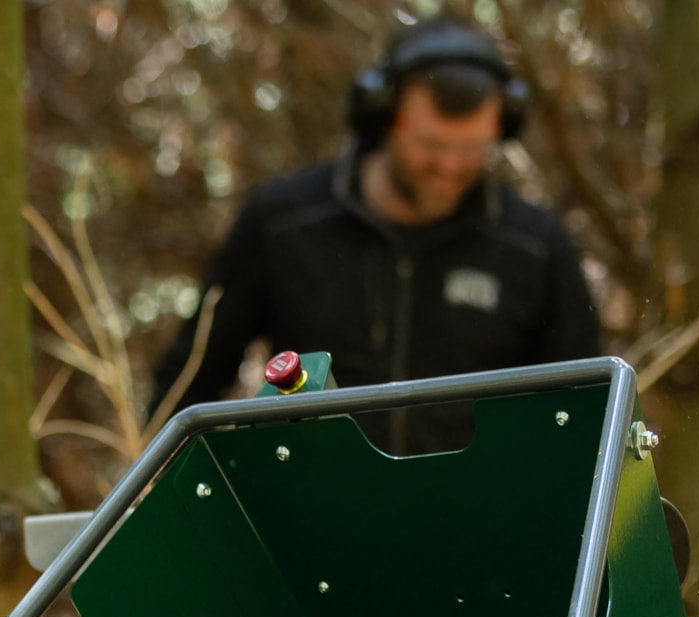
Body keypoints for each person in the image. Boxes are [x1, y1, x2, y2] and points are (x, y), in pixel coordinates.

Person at [149, 18, 602, 456]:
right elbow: (189, 386)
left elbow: (583, 411)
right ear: (385, 116)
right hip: (310, 512)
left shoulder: (535, 247)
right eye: (430, 144)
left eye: (470, 148)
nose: (448, 166)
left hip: (481, 518)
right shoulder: (283, 225)